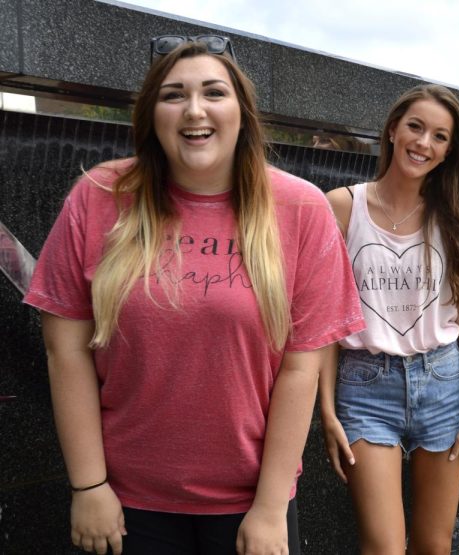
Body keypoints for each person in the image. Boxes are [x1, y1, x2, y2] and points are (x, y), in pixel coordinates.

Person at [23, 38, 365, 555]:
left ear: (242, 113)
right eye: (173, 95)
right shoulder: (99, 196)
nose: (195, 110)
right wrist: (89, 486)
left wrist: (271, 507)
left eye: (214, 92)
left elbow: (301, 368)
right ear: (151, 115)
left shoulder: (300, 208)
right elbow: (64, 350)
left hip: (252, 504)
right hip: (124, 502)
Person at [319, 84, 459, 554]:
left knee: (433, 546)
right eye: (416, 127)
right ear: (394, 130)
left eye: (439, 137)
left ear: (448, 152)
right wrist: (324, 409)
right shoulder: (341, 206)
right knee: (383, 546)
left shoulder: (454, 214)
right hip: (364, 385)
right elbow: (320, 318)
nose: (424, 143)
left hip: (442, 381)